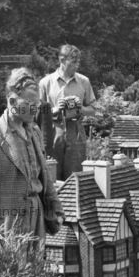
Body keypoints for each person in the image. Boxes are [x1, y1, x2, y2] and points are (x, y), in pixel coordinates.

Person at [0, 68, 63, 245]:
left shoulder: (34, 132)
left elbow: (44, 177)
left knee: (37, 272)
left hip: (37, 223)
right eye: (30, 103)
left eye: (37, 103)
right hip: (7, 230)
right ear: (12, 101)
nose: (36, 108)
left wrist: (55, 210)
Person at [38, 44, 96, 180]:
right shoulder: (45, 83)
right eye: (73, 62)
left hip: (76, 131)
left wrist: (80, 108)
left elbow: (93, 109)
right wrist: (55, 109)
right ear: (62, 60)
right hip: (52, 132)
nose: (77, 65)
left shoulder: (84, 81)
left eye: (78, 62)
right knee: (52, 176)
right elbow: (37, 112)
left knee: (74, 178)